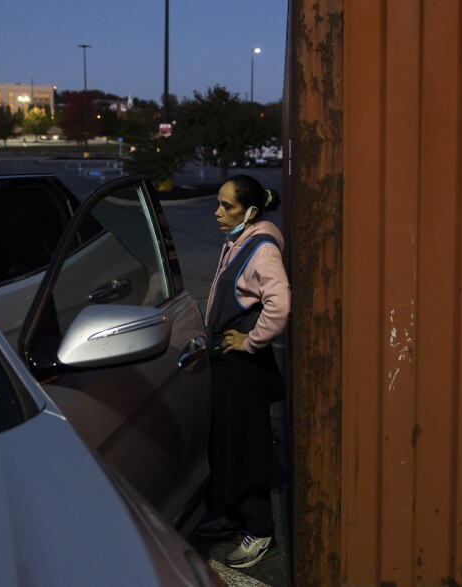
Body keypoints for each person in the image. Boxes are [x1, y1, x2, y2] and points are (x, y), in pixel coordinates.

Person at [196, 174, 290, 569]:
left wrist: (251, 342)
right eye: (218, 203)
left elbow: (280, 305)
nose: (218, 212)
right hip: (226, 363)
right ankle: (230, 516)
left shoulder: (262, 250)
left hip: (243, 367)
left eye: (227, 206)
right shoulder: (239, 239)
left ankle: (260, 531)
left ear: (251, 212)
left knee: (247, 449)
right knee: (226, 444)